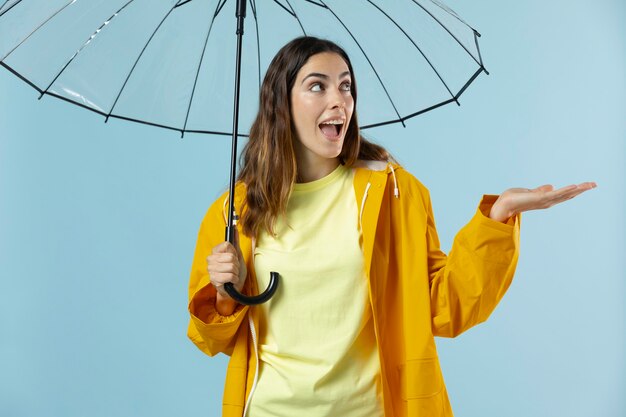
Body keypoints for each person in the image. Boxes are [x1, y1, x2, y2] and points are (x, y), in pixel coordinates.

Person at [186, 36, 595, 417]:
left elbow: (442, 306)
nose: (338, 101)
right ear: (281, 103)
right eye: (317, 87)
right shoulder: (235, 212)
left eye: (346, 86)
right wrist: (225, 295)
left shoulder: (393, 192)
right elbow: (211, 340)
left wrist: (498, 216)